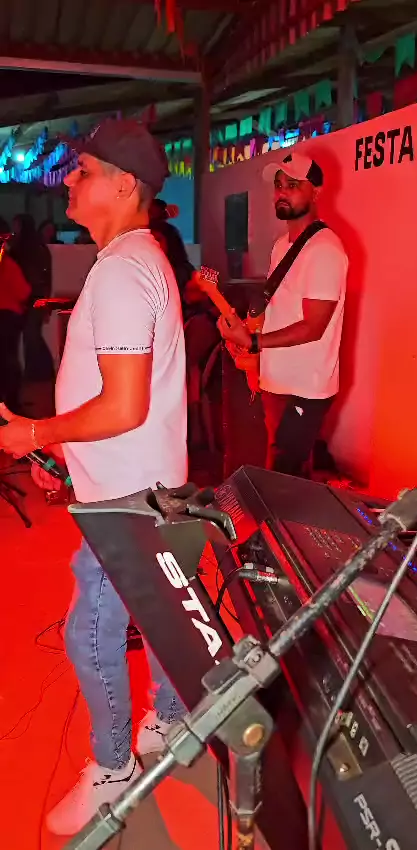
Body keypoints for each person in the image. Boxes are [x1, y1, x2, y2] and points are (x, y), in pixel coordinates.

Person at [0, 118, 188, 835]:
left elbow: (122, 405)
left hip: (126, 496)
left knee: (90, 631)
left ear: (125, 184)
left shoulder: (122, 271)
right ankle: (172, 718)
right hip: (132, 483)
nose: (68, 183)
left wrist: (34, 434)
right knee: (158, 613)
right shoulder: (138, 259)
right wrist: (64, 458)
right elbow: (128, 406)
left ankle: (113, 770)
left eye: (82, 171)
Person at [218, 151, 348, 477]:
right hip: (277, 380)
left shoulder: (324, 250)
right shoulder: (282, 245)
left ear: (316, 191)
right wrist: (245, 332)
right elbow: (279, 308)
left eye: (293, 185)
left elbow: (314, 326)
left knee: (286, 477)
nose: (282, 193)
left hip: (304, 387)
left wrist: (253, 342)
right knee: (277, 472)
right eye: (278, 185)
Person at [150, 198, 219, 445]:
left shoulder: (180, 272)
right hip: (182, 336)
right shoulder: (160, 271)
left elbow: (200, 297)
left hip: (191, 333)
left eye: (158, 241)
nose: (153, 245)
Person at [10, 213, 55, 383]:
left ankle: (37, 372)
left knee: (30, 336)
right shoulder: (39, 247)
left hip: (27, 296)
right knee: (32, 335)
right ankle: (40, 371)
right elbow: (47, 276)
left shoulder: (20, 249)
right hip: (35, 295)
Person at [0, 219, 31, 412]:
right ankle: (11, 404)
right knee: (9, 360)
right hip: (8, 317)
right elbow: (23, 291)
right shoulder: (8, 264)